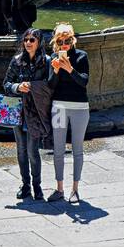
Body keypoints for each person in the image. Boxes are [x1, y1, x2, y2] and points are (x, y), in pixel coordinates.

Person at [3, 29, 51, 201]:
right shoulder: (16, 61)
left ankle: (37, 186)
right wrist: (17, 87)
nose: (28, 43)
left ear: (39, 42)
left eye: (32, 39)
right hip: (19, 111)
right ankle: (25, 185)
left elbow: (50, 86)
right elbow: (6, 83)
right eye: (26, 40)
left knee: (32, 151)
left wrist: (32, 86)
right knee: (21, 150)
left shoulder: (46, 62)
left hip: (35, 112)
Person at [46, 23, 89, 205]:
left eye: (67, 40)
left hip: (80, 107)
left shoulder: (81, 56)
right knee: (58, 149)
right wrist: (56, 70)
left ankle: (75, 189)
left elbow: (84, 82)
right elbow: (50, 85)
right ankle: (59, 188)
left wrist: (70, 69)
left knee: (77, 149)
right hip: (59, 107)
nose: (64, 45)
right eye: (60, 41)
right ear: (56, 42)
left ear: (73, 40)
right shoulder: (53, 58)